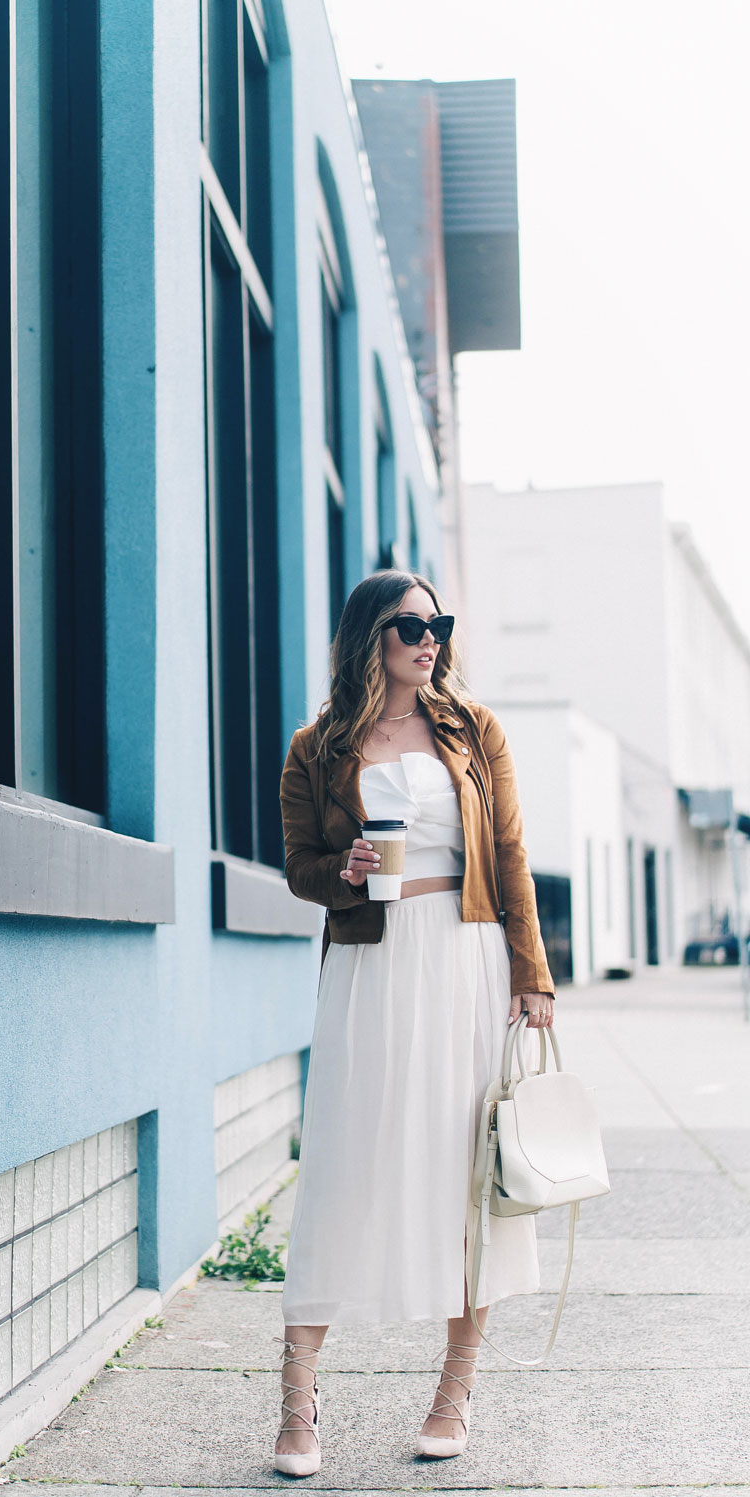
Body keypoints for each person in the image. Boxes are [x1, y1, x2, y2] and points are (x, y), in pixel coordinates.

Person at [272, 569, 556, 1475]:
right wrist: (343, 867)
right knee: (343, 1165)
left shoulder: (475, 730)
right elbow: (299, 868)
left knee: (466, 1171)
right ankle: (298, 1403)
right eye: (408, 625)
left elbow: (510, 852)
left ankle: (453, 1392)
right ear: (370, 638)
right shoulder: (317, 747)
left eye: (437, 622)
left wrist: (532, 974)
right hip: (368, 963)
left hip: (467, 959)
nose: (428, 638)